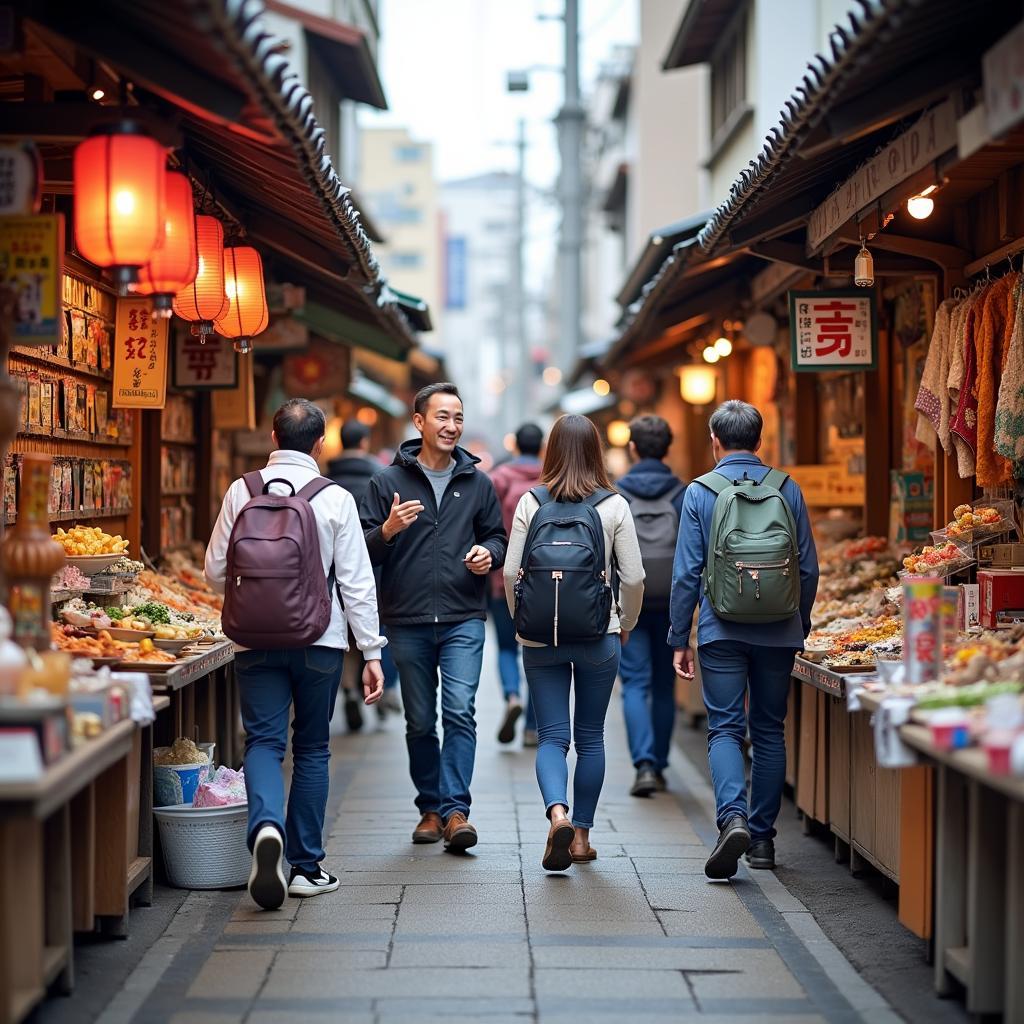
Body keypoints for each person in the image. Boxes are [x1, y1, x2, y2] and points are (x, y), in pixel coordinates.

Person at [205, 398, 385, 909]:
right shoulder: (334, 498)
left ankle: (266, 827)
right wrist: (370, 652)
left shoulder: (242, 490)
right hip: (319, 642)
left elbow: (214, 571)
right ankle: (306, 866)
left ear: (273, 437)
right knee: (312, 748)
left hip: (253, 639)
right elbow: (356, 582)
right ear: (321, 442)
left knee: (262, 742)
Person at [670, 400, 818, 879]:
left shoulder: (699, 492)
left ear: (715, 440)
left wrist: (679, 636)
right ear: (760, 441)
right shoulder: (786, 488)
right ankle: (762, 842)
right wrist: (801, 622)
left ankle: (731, 818)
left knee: (726, 728)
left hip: (721, 629)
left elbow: (688, 571)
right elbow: (808, 567)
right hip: (779, 630)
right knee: (769, 729)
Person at [361, 382, 507, 851]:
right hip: (407, 620)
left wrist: (490, 553)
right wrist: (387, 529)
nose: (452, 426)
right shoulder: (387, 483)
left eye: (458, 418)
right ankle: (429, 806)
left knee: (460, 711)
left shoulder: (478, 483)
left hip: (465, 616)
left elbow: (498, 537)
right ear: (419, 422)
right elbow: (361, 551)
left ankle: (456, 811)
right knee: (420, 720)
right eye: (442, 417)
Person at [504, 414, 644, 871]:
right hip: (597, 635)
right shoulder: (613, 505)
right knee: (590, 737)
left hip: (540, 638)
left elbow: (509, 572)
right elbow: (636, 576)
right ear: (596, 451)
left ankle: (557, 814)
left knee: (551, 736)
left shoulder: (531, 501)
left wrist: (522, 619)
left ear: (552, 450)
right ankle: (581, 837)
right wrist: (625, 620)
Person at [617, 414, 686, 798]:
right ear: (668, 449)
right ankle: (659, 765)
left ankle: (641, 763)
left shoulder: (616, 494)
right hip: (672, 602)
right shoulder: (682, 493)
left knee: (633, 683)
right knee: (664, 684)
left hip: (631, 604)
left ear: (633, 448)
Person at [327, 419, 400, 727]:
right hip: (377, 568)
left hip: (331, 570)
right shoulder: (381, 479)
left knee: (343, 631)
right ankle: (380, 689)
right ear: (365, 442)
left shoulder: (326, 481)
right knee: (375, 628)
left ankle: (349, 692)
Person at [489, 422, 544, 746]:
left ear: (515, 445)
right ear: (541, 447)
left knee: (507, 647)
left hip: (503, 578)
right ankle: (532, 728)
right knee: (538, 652)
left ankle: (512, 697)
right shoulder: (553, 479)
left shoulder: (499, 479)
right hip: (548, 583)